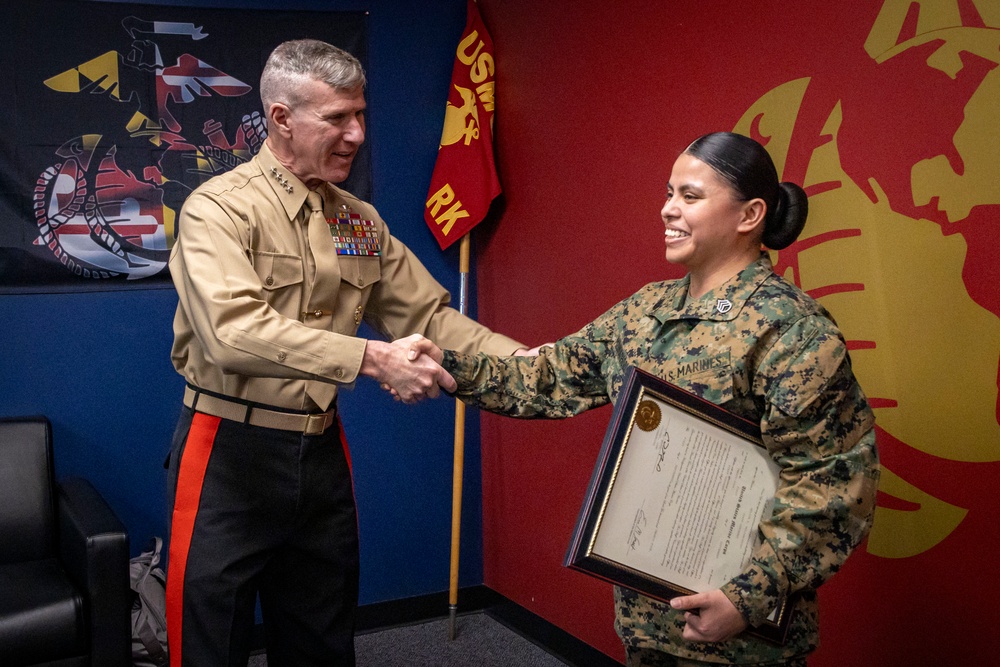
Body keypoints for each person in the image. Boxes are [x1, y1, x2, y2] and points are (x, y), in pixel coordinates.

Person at [419, 132, 880, 665]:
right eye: (668, 194)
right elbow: (550, 377)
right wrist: (443, 365)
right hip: (647, 625)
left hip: (741, 639)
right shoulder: (646, 310)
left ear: (750, 214)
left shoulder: (792, 331)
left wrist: (747, 596)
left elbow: (835, 483)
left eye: (689, 196)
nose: (667, 210)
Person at [166, 39, 525, 667]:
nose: (356, 134)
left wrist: (531, 363)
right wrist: (373, 359)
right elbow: (232, 331)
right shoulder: (217, 209)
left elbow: (430, 317)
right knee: (208, 642)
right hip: (228, 452)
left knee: (321, 639)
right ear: (281, 119)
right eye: (337, 118)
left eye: (360, 115)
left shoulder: (358, 221)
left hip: (320, 454)